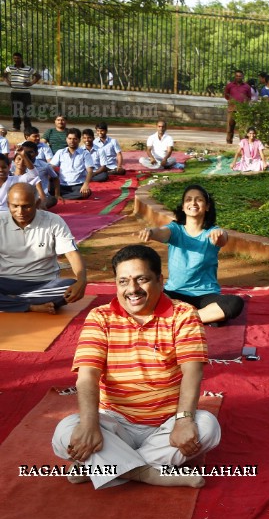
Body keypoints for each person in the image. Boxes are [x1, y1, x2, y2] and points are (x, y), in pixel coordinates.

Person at [50, 244, 221, 489]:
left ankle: (105, 466)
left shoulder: (184, 315)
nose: (132, 290)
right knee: (64, 431)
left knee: (207, 427)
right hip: (115, 422)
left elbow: (192, 372)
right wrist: (89, 425)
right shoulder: (100, 317)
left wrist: (183, 421)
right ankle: (147, 473)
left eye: (142, 279)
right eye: (123, 281)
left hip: (166, 424)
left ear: (160, 281)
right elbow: (87, 375)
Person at [137, 186, 245, 325]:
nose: (193, 203)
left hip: (205, 296)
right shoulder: (175, 229)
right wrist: (150, 232)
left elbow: (222, 238)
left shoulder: (213, 231)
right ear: (183, 207)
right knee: (143, 296)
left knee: (234, 303)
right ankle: (200, 317)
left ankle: (179, 318)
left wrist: (219, 236)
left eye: (199, 200)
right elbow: (161, 232)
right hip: (173, 293)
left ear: (207, 206)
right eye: (188, 200)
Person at [0, 183, 86, 313]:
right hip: (5, 281)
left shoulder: (54, 221)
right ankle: (28, 305)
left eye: (26, 206)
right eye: (15, 206)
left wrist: (82, 281)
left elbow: (72, 254)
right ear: (8, 204)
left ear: (37, 203)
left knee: (69, 287)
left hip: (43, 284)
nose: (20, 212)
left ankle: (10, 302)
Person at [0, 144, 49, 210]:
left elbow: (34, 174)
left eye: (3, 167)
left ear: (9, 167)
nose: (1, 170)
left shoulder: (16, 180)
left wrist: (23, 155)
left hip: (9, 214)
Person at [51, 127, 94, 202]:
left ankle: (59, 196)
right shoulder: (60, 152)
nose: (72, 141)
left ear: (79, 140)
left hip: (77, 185)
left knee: (85, 192)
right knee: (50, 187)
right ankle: (62, 195)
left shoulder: (85, 153)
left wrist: (86, 185)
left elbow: (90, 171)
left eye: (75, 139)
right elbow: (51, 167)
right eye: (69, 138)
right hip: (61, 184)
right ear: (66, 139)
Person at [3, 52, 41, 131]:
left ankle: (27, 127)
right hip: (14, 91)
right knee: (15, 110)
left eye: (18, 58)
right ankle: (16, 126)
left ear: (21, 59)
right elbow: (4, 74)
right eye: (15, 58)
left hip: (25, 93)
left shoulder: (28, 68)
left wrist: (31, 83)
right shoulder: (10, 68)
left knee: (26, 110)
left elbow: (38, 76)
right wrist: (8, 81)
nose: (16, 60)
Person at [223, 70, 255, 144]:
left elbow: (249, 97)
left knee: (242, 128)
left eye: (240, 76)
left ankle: (243, 144)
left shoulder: (247, 86)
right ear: (235, 76)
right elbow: (226, 95)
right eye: (237, 76)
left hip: (242, 110)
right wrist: (231, 102)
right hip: (232, 109)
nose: (238, 77)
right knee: (230, 127)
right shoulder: (230, 85)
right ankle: (229, 142)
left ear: (243, 77)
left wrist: (244, 104)